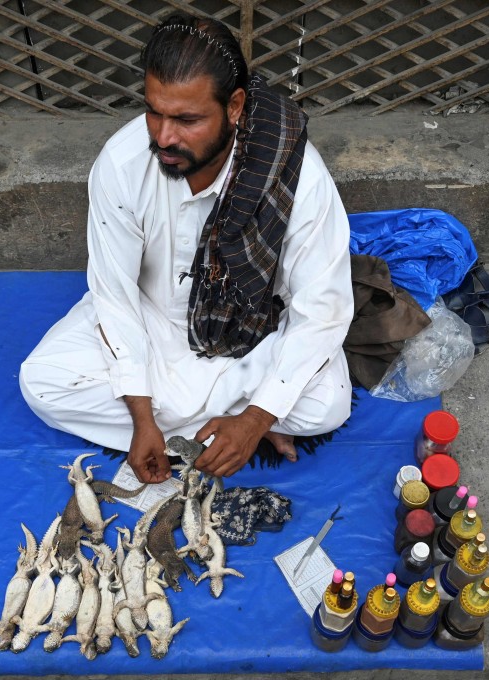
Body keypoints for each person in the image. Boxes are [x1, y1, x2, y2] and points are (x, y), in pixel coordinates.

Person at [20, 13, 354, 483]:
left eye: (187, 119)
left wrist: (256, 417)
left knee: (330, 403)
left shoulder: (298, 177)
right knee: (42, 383)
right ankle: (224, 425)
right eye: (154, 111)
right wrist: (142, 418)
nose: (163, 137)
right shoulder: (122, 163)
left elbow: (323, 311)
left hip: (253, 332)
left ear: (234, 106)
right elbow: (113, 294)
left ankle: (234, 421)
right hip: (152, 321)